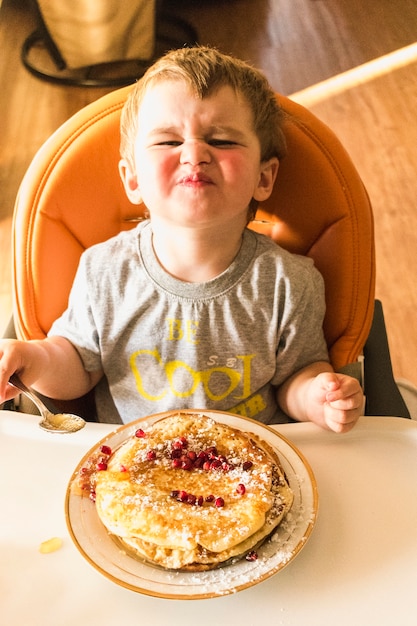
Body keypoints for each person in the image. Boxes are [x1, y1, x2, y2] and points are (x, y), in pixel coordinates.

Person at [0, 46, 363, 432]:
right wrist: (34, 361)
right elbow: (77, 365)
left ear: (264, 177)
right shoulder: (103, 271)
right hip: (131, 469)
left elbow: (297, 377)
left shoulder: (289, 283)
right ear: (133, 178)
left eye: (222, 141)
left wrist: (318, 396)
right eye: (168, 142)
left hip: (249, 467)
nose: (194, 153)